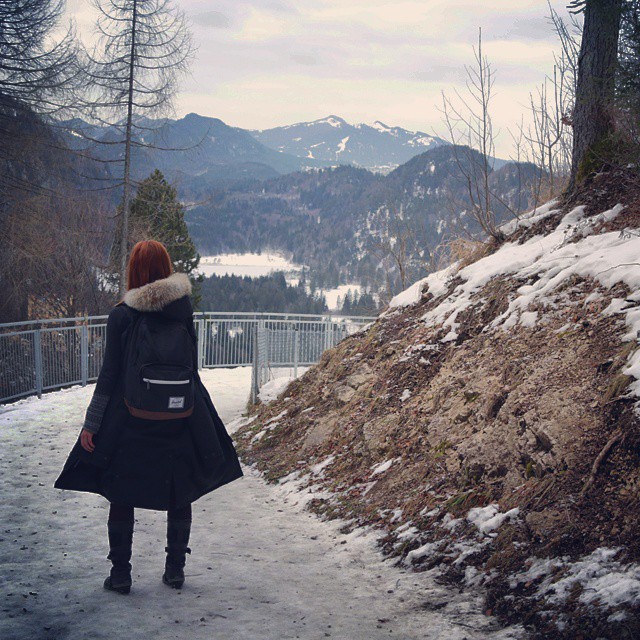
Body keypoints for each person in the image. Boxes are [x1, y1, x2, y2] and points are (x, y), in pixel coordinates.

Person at [54, 240, 243, 594]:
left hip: (131, 417)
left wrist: (91, 424)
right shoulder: (182, 310)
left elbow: (110, 375)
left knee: (121, 490)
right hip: (179, 415)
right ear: (166, 269)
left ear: (134, 271)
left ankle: (120, 574)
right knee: (180, 489)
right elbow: (191, 369)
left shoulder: (121, 315)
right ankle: (175, 570)